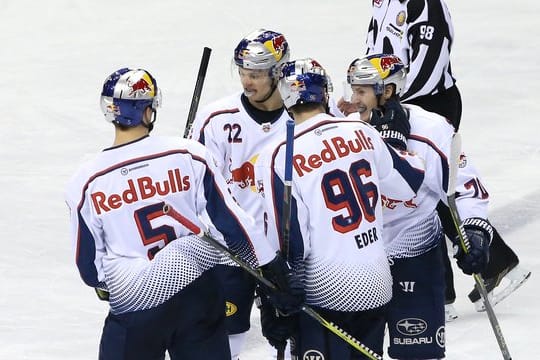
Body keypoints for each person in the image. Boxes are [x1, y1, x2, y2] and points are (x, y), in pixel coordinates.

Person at [64, 67, 303, 360]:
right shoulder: (187, 153)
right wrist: (272, 269)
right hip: (196, 295)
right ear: (147, 111)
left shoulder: (86, 180)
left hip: (136, 303)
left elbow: (89, 268)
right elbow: (232, 222)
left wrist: (110, 284)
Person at [361, 0, 530, 317]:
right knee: (414, 191)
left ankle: (495, 266)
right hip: (394, 105)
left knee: (432, 189)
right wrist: (368, 97)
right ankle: (444, 288)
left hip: (427, 105)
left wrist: (393, 104)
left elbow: (431, 63)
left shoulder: (424, 5)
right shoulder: (382, 3)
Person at [257, 57, 426, 359]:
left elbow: (290, 241)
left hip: (325, 293)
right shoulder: (362, 131)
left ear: (286, 98)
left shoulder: (279, 154)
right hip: (376, 284)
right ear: (324, 94)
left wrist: (275, 300)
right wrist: (394, 138)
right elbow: (408, 181)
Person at [343, 53, 495, 359]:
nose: (353, 100)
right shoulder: (345, 130)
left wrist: (475, 233)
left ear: (386, 91)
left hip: (415, 255)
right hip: (360, 261)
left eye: (361, 91)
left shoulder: (431, 128)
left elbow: (465, 189)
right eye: (352, 90)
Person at [187, 28, 295, 359]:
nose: (247, 82)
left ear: (279, 71)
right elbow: (196, 190)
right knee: (224, 340)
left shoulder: (303, 115)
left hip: (287, 253)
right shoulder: (215, 119)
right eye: (244, 73)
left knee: (295, 341)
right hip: (230, 251)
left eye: (257, 74)